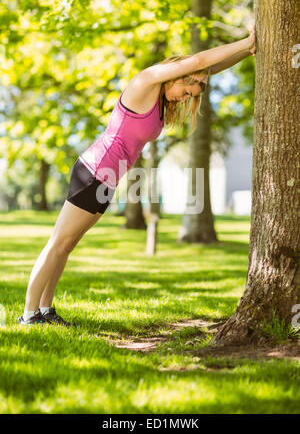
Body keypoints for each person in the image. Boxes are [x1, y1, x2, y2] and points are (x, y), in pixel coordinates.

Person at [18, 26, 256, 325]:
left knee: (67, 245)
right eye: (185, 91)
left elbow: (208, 68)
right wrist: (246, 40)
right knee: (58, 242)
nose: (184, 99)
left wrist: (246, 51)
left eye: (190, 96)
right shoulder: (145, 82)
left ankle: (45, 310)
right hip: (94, 172)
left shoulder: (161, 101)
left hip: (108, 178)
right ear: (176, 75)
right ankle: (29, 314)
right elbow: (197, 62)